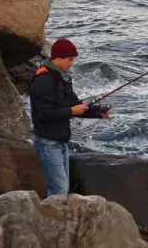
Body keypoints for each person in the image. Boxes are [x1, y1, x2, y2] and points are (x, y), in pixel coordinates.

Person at [29, 38, 109, 197]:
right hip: (47, 142)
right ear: (58, 58)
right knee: (58, 190)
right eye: (70, 59)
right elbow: (43, 114)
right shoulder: (43, 80)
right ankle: (49, 219)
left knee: (62, 189)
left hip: (60, 140)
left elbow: (74, 105)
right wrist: (71, 111)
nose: (72, 63)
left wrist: (97, 112)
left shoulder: (63, 78)